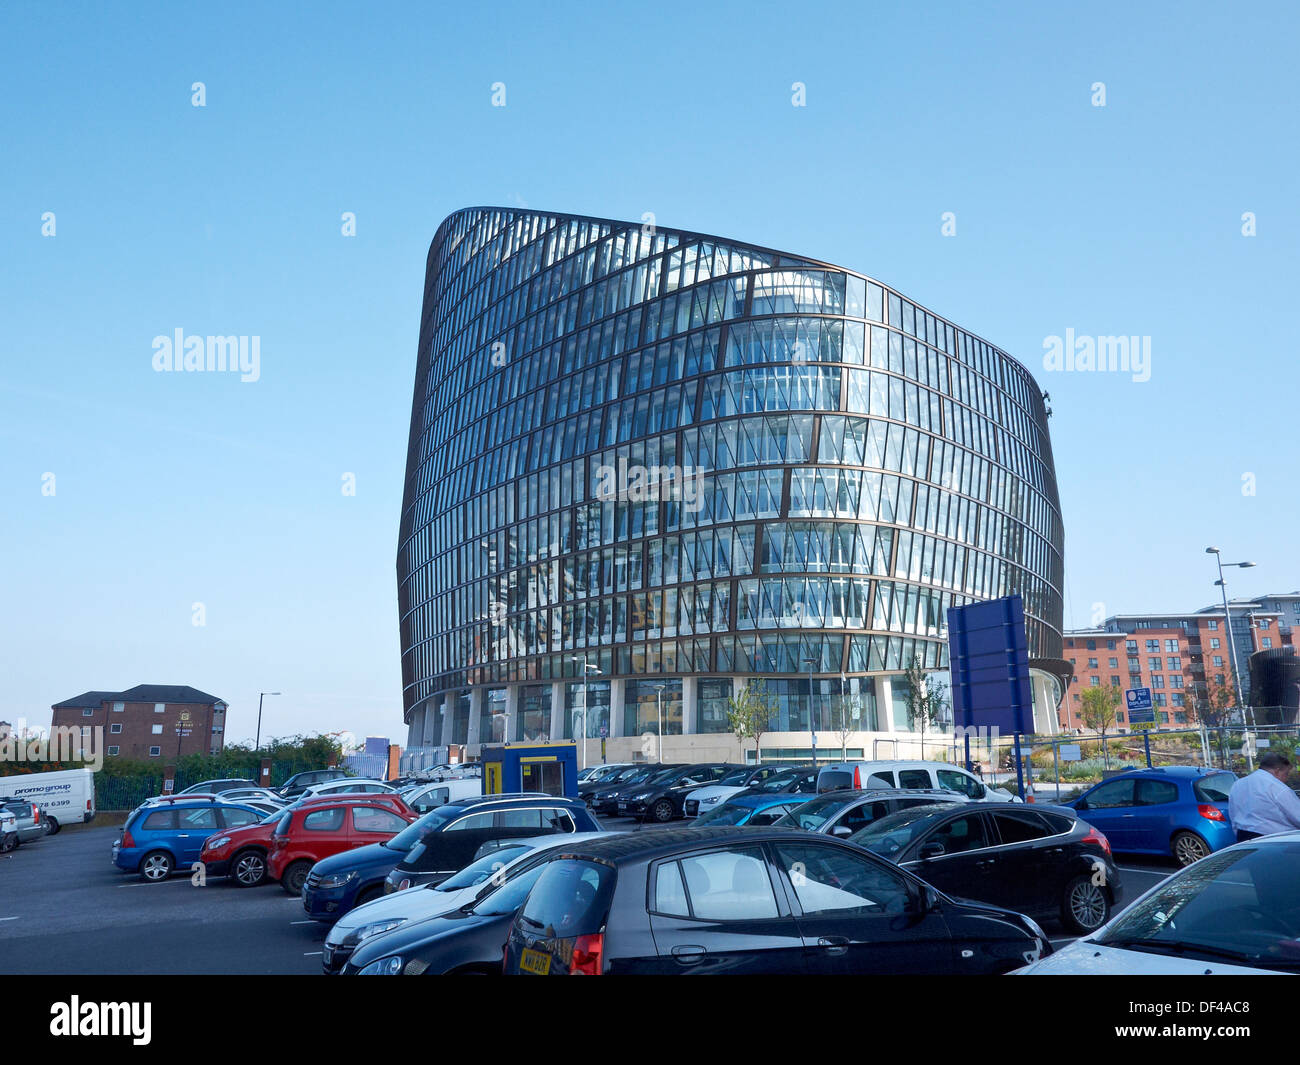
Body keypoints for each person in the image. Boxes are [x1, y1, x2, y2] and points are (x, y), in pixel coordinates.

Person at [1227, 752, 1300, 842]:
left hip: (1243, 839)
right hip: (1275, 841)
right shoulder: (1277, 788)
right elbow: (1297, 816)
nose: (1287, 778)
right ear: (1277, 771)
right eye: (1286, 774)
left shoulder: (1237, 784)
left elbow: (1233, 814)